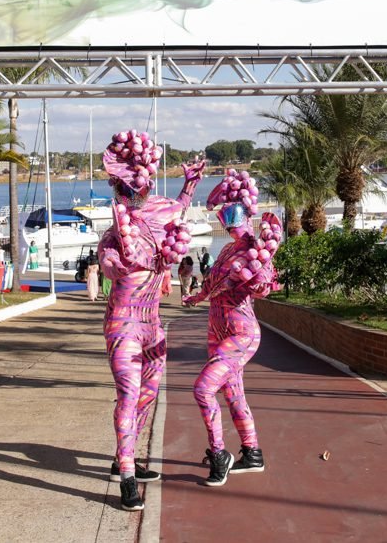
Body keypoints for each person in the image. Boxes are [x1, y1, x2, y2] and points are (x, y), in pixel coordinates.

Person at [97, 129, 205, 511]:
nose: (133, 194)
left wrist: (190, 185)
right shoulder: (113, 237)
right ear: (117, 189)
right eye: (125, 188)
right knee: (128, 395)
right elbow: (109, 268)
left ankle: (122, 458)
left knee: (148, 394)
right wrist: (123, 260)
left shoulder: (160, 225)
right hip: (124, 324)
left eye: (137, 187)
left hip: (153, 326)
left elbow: (177, 209)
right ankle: (127, 475)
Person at [183, 169, 282, 488]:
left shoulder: (257, 248)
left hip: (241, 333)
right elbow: (211, 285)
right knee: (233, 394)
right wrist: (194, 296)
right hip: (217, 330)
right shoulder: (226, 250)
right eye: (225, 212)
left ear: (246, 212)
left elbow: (263, 286)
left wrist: (260, 278)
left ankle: (220, 453)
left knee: (203, 388)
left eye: (232, 210)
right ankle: (252, 453)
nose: (227, 218)